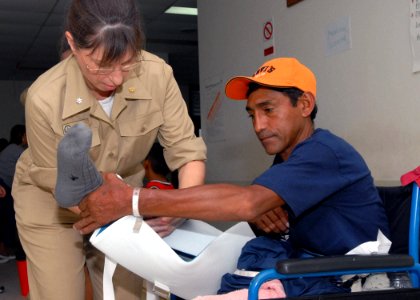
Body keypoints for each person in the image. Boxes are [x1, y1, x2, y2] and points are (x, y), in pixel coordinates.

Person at [72, 57, 389, 297]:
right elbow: (256, 205)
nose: (258, 126)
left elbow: (247, 202)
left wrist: (133, 199)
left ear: (305, 104)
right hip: (308, 269)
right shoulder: (287, 160)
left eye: (268, 110)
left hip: (347, 279)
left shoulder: (324, 152)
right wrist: (261, 211)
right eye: (252, 115)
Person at [12, 0, 206, 299]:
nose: (116, 78)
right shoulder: (44, 98)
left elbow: (187, 150)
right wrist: (117, 212)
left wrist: (178, 207)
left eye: (127, 64)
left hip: (123, 195)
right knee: (62, 293)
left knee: (128, 293)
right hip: (53, 202)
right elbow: (55, 180)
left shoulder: (157, 75)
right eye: (101, 65)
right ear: (72, 44)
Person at [0, 124, 27, 263]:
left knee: (7, 217)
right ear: (21, 136)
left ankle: (6, 247)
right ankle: (5, 248)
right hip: (3, 185)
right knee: (8, 217)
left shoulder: (11, 148)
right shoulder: (17, 150)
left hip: (5, 184)